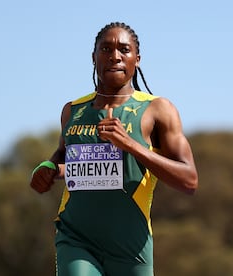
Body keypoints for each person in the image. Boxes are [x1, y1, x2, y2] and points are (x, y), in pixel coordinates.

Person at [30, 22, 198, 276]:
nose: (115, 56)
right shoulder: (72, 111)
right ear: (94, 57)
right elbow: (64, 156)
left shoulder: (158, 110)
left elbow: (189, 180)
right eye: (106, 49)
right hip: (76, 237)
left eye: (124, 49)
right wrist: (47, 168)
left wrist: (129, 144)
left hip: (131, 246)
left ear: (137, 59)